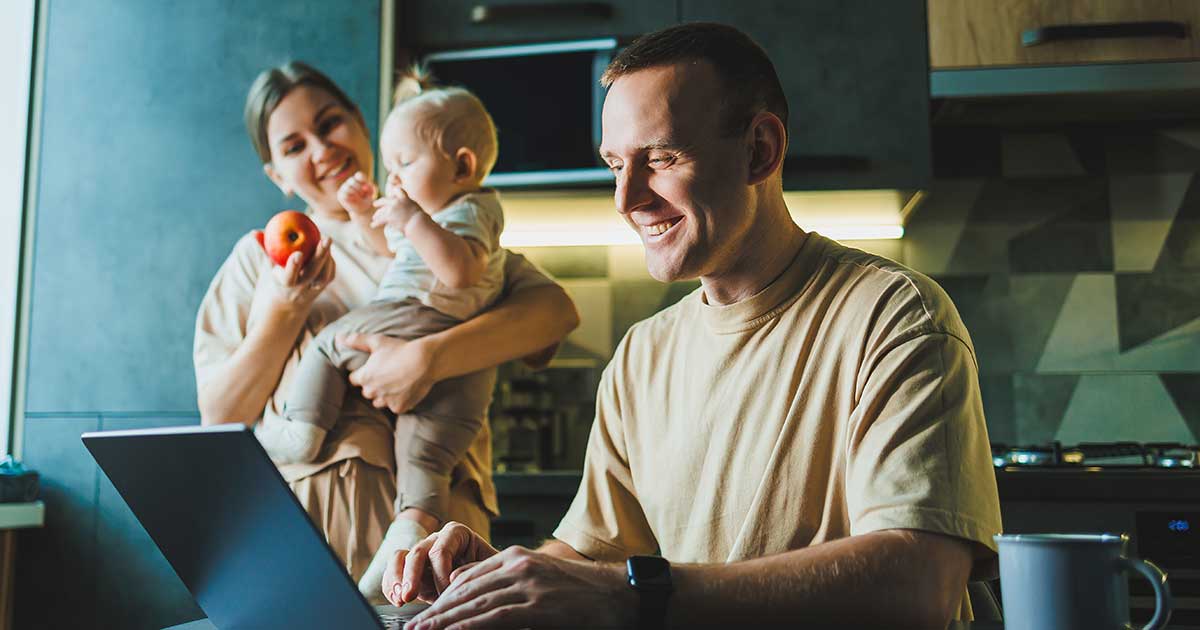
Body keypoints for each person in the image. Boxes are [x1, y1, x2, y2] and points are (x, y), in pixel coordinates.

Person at [383, 22, 1003, 629]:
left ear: (760, 149)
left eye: (660, 159)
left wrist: (628, 596)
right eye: (614, 165)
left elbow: (920, 584)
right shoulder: (641, 355)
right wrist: (500, 581)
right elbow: (595, 560)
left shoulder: (894, 317)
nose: (627, 199)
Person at [192, 61, 579, 602]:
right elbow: (220, 415)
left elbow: (553, 315)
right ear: (277, 174)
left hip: (440, 528)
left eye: (329, 125)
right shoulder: (257, 261)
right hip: (304, 525)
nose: (322, 149)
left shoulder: (441, 227)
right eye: (294, 146)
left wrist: (428, 360)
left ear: (362, 124)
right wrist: (281, 312)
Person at [269, 68, 514, 594]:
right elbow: (395, 253)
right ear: (277, 175)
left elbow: (461, 272)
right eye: (293, 146)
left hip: (420, 320)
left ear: (462, 166)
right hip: (451, 369)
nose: (395, 178)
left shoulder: (466, 211)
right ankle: (405, 541)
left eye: (404, 164)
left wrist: (410, 218)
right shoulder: (432, 212)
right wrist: (369, 213)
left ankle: (304, 428)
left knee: (331, 342)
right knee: (422, 458)